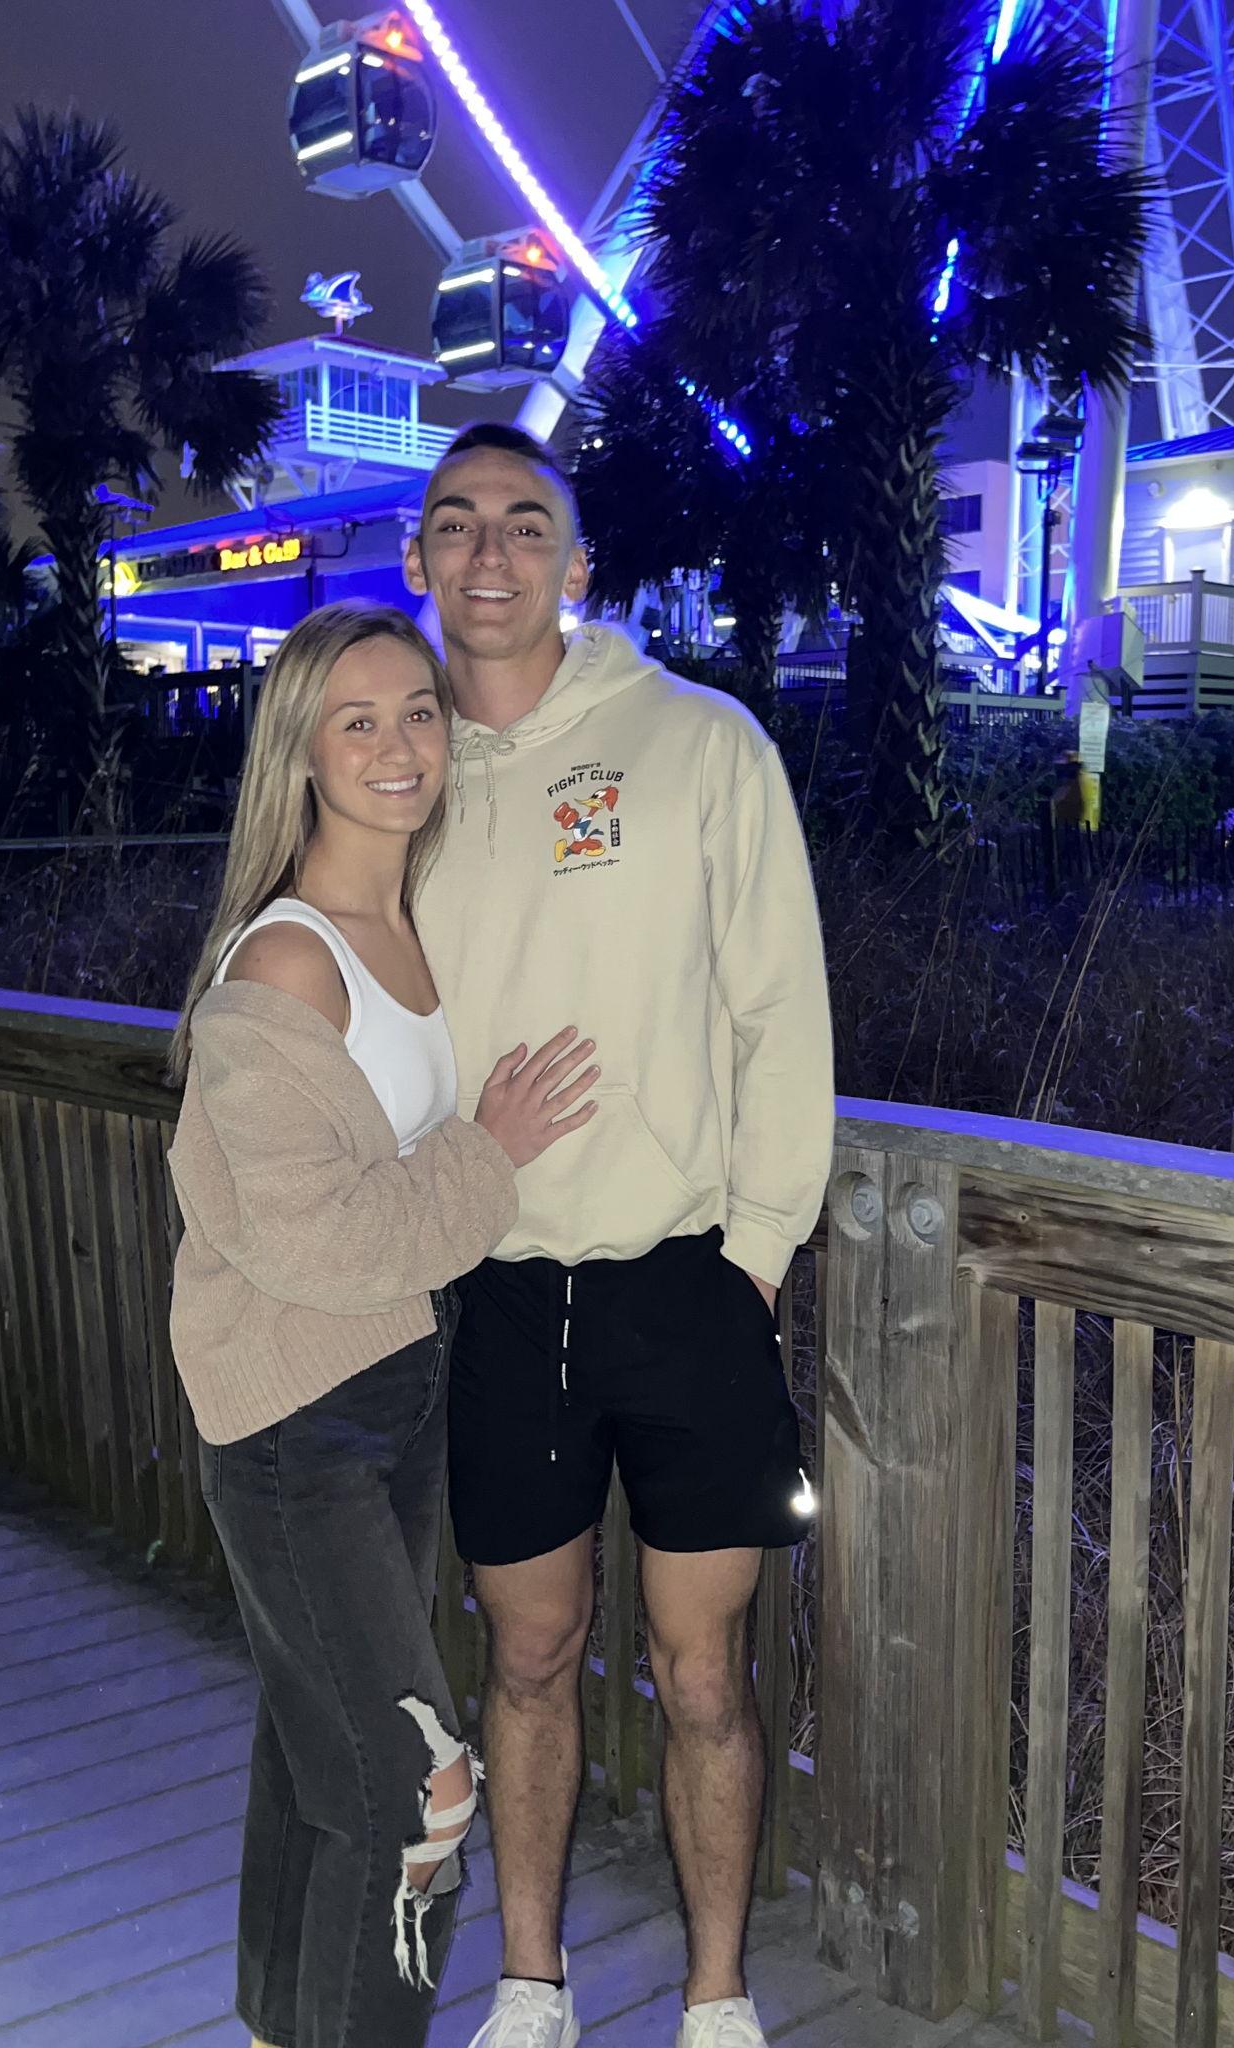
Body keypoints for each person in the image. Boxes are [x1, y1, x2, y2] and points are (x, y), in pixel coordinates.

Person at [407, 424, 835, 2048]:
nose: (492, 554)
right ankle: (532, 1986)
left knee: (703, 1669)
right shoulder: (395, 772)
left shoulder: (699, 743)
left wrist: (757, 1255)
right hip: (501, 1293)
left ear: (578, 563)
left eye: (527, 525)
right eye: (458, 525)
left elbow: (779, 1009)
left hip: (687, 1284)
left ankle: (718, 1999)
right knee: (526, 1658)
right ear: (421, 560)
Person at [165, 600, 599, 2048]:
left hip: (399, 1398)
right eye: (357, 721)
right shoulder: (286, 966)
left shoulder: (419, 925)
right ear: (300, 752)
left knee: (322, 1760)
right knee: (422, 1796)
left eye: (420, 711)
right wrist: (489, 1155)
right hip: (297, 1427)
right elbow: (317, 1239)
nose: (401, 745)